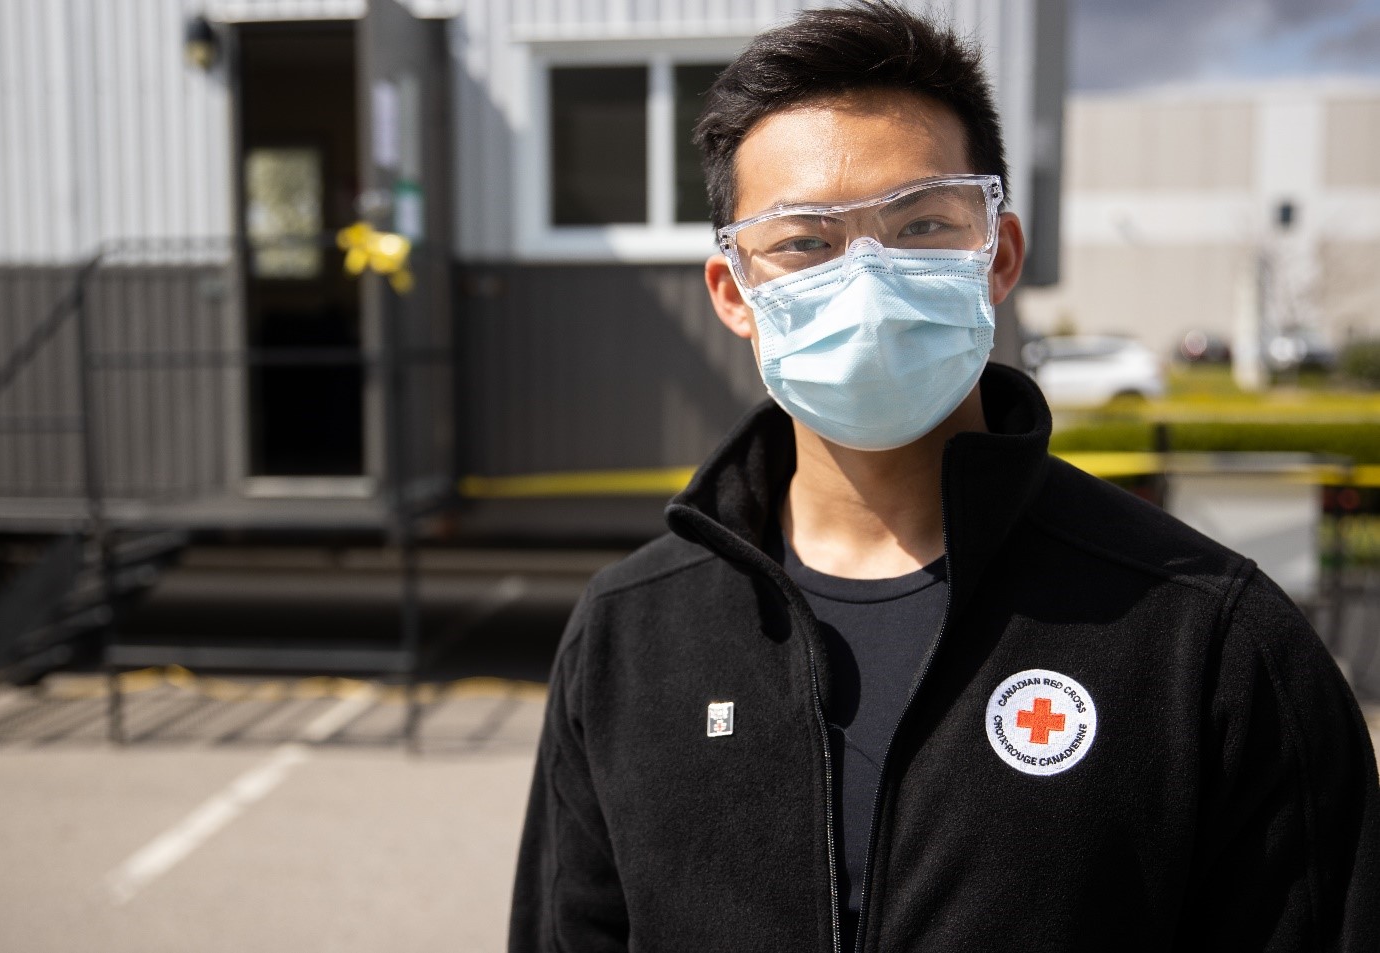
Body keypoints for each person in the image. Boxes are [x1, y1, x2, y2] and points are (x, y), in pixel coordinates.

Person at [509, 3, 1380, 951]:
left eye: (922, 224)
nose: (868, 283)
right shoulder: (630, 634)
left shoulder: (1204, 638)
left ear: (997, 254)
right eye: (804, 242)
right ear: (734, 293)